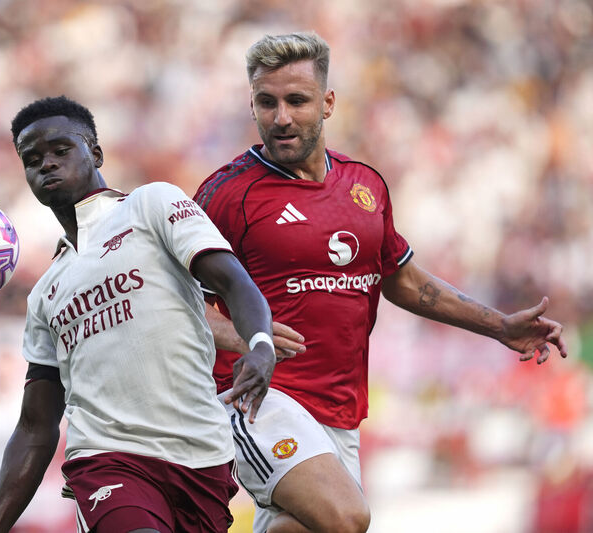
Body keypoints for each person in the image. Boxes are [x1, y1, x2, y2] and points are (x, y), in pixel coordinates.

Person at [194, 31, 568, 533]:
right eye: (267, 102)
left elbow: (403, 280)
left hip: (340, 408)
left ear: (327, 103)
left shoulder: (364, 186)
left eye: (297, 101)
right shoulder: (226, 193)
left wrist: (499, 325)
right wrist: (249, 338)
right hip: (260, 395)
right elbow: (174, 299)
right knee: (346, 518)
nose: (281, 117)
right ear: (253, 105)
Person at [0, 95, 278, 533]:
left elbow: (234, 282)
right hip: (106, 460)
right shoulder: (44, 294)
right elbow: (36, 427)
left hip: (202, 459)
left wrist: (261, 345)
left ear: (95, 153)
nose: (46, 164)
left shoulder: (151, 205)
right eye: (32, 159)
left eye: (61, 150)